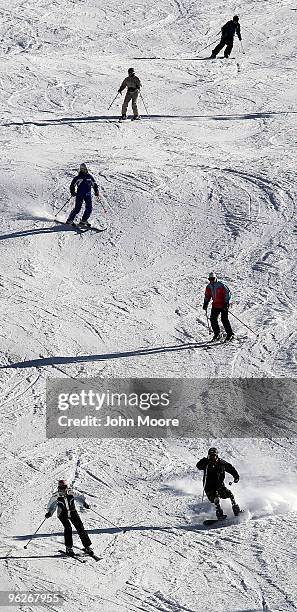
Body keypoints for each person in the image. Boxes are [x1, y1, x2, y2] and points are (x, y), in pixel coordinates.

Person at [45, 479, 93, 556]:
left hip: (73, 512)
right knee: (68, 528)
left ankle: (87, 546)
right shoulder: (56, 495)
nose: (63, 489)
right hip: (62, 514)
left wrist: (85, 503)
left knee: (80, 527)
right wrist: (49, 513)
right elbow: (52, 505)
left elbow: (80, 497)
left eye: (65, 486)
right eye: (61, 487)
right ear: (59, 487)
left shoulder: (71, 492)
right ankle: (69, 548)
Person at [196, 447, 241, 519]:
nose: (212, 457)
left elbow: (230, 468)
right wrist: (204, 461)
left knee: (230, 494)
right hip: (209, 488)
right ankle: (219, 514)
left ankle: (236, 511)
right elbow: (198, 466)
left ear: (217, 455)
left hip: (220, 486)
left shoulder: (221, 463)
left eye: (213, 455)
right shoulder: (206, 463)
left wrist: (236, 477)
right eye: (210, 455)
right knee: (216, 498)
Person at [203, 272, 234, 341]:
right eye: (210, 279)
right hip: (215, 305)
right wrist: (205, 303)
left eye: (213, 278)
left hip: (223, 305)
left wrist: (226, 303)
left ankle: (230, 334)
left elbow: (228, 293)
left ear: (215, 278)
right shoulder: (209, 286)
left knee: (224, 319)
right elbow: (207, 295)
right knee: (213, 319)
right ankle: (217, 334)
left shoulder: (221, 285)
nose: (211, 280)